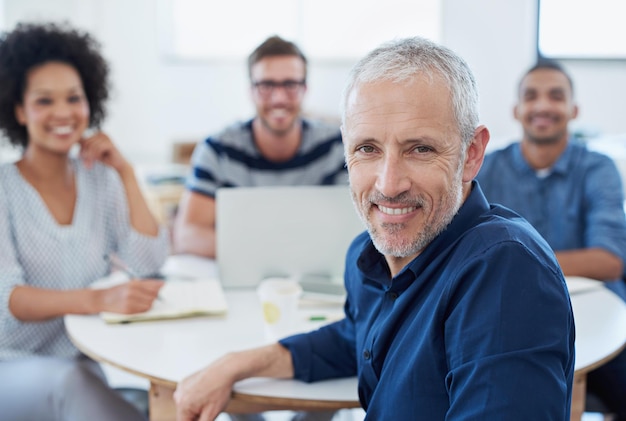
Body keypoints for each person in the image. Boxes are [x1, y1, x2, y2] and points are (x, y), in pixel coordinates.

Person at [173, 37, 575, 421]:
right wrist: (233, 365)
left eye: (420, 149)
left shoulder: (504, 268)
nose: (388, 184)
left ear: (470, 155)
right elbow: (356, 339)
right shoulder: (368, 257)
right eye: (367, 149)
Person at [0, 22, 169, 420]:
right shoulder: (3, 188)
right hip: (11, 362)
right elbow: (9, 298)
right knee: (73, 385)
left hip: (81, 364)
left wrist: (126, 173)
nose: (63, 112)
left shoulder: (100, 179)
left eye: (73, 98)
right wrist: (98, 299)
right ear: (19, 110)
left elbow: (148, 262)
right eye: (44, 101)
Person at [476, 59, 626, 420]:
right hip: (508, 317)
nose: (543, 105)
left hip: (597, 318)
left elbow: (608, 261)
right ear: (517, 110)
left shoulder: (597, 168)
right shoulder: (487, 168)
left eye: (556, 96)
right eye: (531, 96)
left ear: (573, 110)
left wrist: (514, 261)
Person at [173, 35, 347, 259]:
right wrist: (264, 254)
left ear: (305, 89)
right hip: (243, 272)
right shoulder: (217, 150)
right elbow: (187, 234)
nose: (278, 98)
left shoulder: (335, 146)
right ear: (251, 91)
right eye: (266, 85)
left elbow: (350, 227)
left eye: (290, 85)